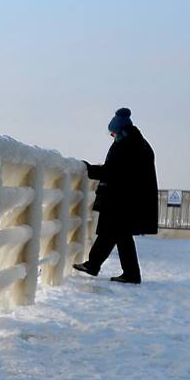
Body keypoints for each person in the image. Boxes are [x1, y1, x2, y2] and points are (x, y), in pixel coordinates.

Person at [72, 107, 158, 284]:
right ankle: (98, 266)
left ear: (121, 130)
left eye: (113, 133)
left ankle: (123, 272)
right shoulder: (137, 142)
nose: (112, 136)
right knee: (114, 233)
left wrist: (89, 169)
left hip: (123, 198)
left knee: (115, 233)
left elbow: (114, 171)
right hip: (127, 198)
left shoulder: (128, 145)